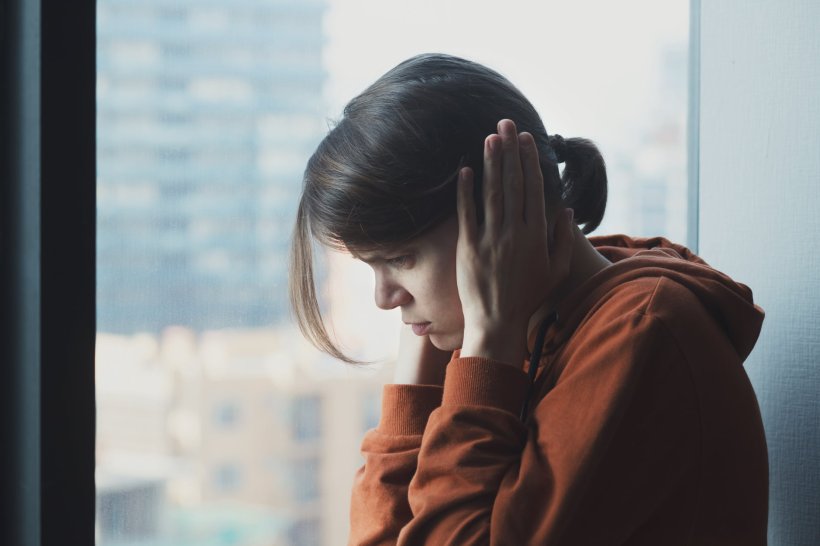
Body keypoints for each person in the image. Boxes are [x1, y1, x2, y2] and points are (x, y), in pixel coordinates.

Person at [289, 53, 768, 545]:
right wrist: (416, 387)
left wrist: (487, 349)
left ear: (502, 212)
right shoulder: (509, 334)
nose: (384, 299)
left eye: (402, 259)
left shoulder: (641, 336)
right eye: (372, 266)